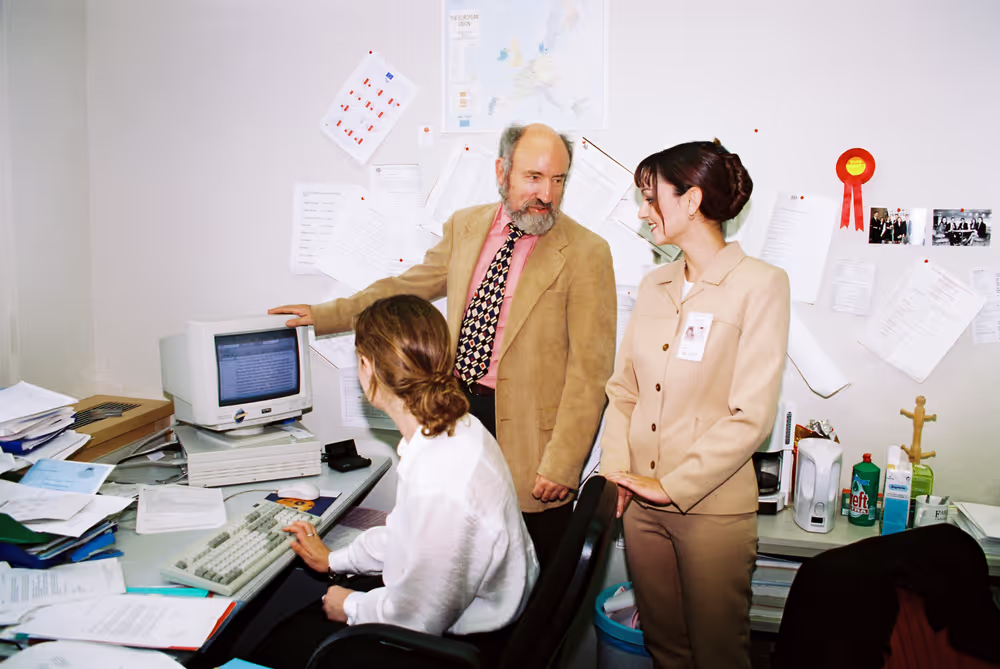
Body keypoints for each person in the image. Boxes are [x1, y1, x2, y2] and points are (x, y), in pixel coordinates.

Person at [269, 123, 616, 569]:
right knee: (450, 552)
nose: (546, 194)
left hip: (533, 440)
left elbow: (591, 372)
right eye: (533, 177)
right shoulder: (466, 227)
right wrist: (326, 314)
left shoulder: (588, 252)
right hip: (457, 413)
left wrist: (564, 464)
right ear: (502, 172)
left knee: (528, 570)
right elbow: (407, 287)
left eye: (558, 180)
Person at [234, 295, 539, 669]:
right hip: (475, 610)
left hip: (463, 639)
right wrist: (336, 559)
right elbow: (407, 535)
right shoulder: (454, 426)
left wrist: (348, 605)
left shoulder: (440, 478)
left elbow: (420, 618)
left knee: (275, 645)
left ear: (366, 366)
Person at [600, 140, 790, 668]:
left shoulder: (761, 285)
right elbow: (623, 392)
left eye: (650, 197)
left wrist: (672, 486)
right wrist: (615, 472)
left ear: (691, 200)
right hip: (639, 505)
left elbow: (751, 416)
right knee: (664, 649)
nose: (642, 211)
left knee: (718, 655)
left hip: (712, 511)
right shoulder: (654, 282)